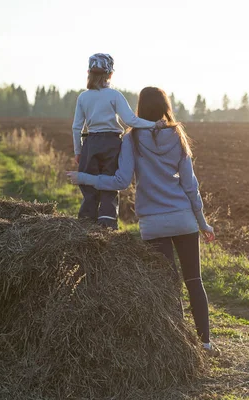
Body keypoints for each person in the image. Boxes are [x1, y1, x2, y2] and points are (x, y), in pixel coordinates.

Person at [67, 87, 218, 355]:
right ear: (165, 107)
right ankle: (205, 343)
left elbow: (121, 181)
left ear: (139, 109)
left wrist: (86, 178)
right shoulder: (177, 134)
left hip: (153, 223)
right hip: (184, 219)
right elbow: (190, 185)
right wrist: (202, 221)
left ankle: (179, 346)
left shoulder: (131, 139)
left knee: (167, 284)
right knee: (194, 280)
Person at [72, 53, 166, 229]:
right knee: (109, 186)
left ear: (89, 72)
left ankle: (85, 225)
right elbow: (131, 120)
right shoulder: (114, 95)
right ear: (110, 74)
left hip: (90, 144)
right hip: (112, 145)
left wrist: (78, 151)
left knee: (89, 187)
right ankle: (107, 226)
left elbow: (77, 127)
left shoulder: (83, 98)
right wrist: (154, 125)